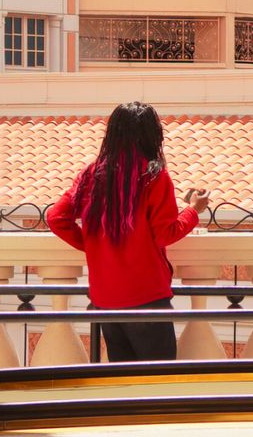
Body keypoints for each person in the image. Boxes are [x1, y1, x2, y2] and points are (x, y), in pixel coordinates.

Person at [47, 101, 210, 362]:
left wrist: (94, 245)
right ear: (151, 134)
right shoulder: (154, 176)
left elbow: (56, 218)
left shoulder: (91, 175)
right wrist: (193, 210)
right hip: (147, 298)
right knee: (157, 384)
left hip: (105, 301)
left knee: (123, 383)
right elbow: (165, 234)